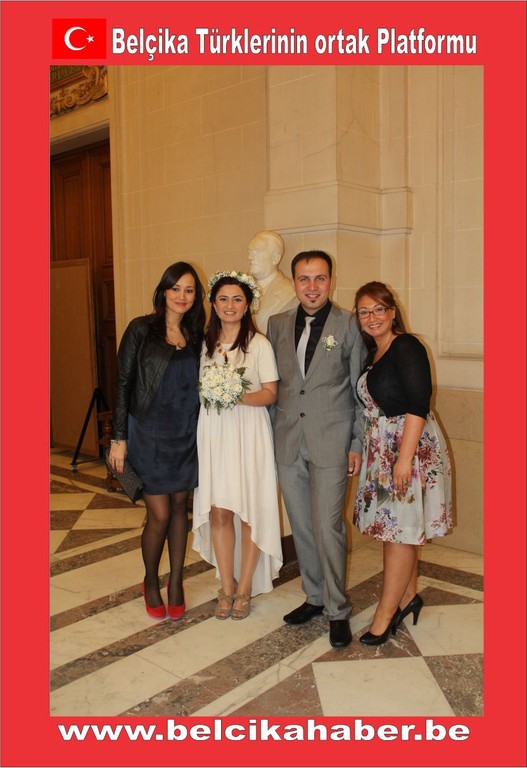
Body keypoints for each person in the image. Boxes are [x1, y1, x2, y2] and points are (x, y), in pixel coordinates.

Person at [267, 250, 366, 649]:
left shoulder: (349, 324)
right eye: (304, 279)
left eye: (320, 278)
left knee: (328, 526)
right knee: (302, 525)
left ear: (331, 281)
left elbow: (360, 389)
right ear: (294, 282)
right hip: (288, 440)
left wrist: (356, 442)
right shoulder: (276, 325)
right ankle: (314, 597)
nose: (312, 287)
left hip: (332, 442)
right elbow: (274, 384)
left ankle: (338, 609)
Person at [353, 281, 453, 645]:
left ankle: (386, 614)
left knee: (397, 532)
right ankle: (408, 597)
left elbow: (418, 405)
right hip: (384, 449)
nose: (372, 317)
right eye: (364, 312)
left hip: (406, 448)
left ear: (393, 312)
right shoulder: (375, 352)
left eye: (379, 309)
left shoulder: (406, 346)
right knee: (398, 530)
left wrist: (404, 460)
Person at [109, 262, 205, 621]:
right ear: (163, 291)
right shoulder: (141, 329)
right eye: (175, 288)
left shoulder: (197, 335)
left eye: (189, 290)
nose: (182, 296)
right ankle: (151, 580)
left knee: (180, 508)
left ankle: (176, 582)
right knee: (160, 514)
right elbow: (123, 383)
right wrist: (119, 437)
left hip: (186, 432)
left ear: (196, 296)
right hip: (147, 431)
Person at [192, 271, 283, 620]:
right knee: (219, 510)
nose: (230, 306)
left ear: (247, 306)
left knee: (249, 510)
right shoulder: (205, 346)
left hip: (249, 432)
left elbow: (271, 393)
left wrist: (235, 395)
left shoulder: (259, 345)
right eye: (223, 299)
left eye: (237, 299)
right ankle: (226, 587)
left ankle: (244, 588)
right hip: (215, 433)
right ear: (214, 305)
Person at [248, 230, 297, 333]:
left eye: (257, 251)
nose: (250, 257)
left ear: (275, 258)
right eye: (250, 251)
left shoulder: (291, 293)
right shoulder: (240, 288)